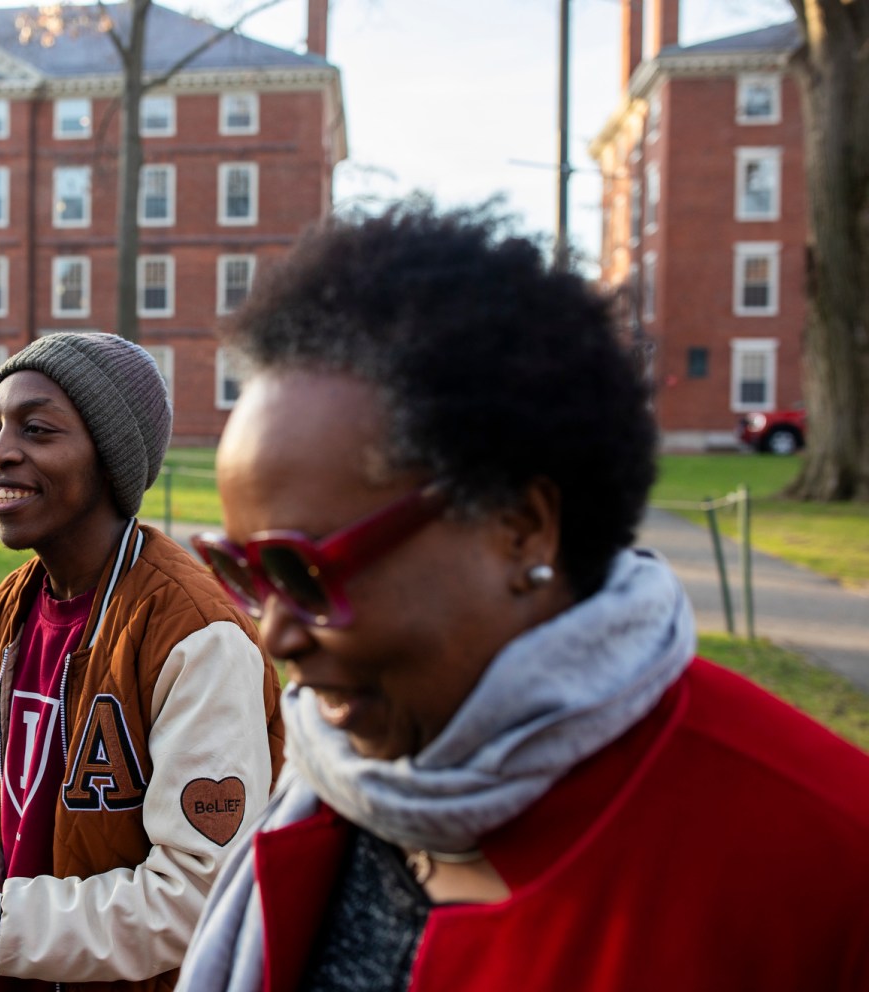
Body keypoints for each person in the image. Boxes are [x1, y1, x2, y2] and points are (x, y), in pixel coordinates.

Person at [178, 203, 869, 992]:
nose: (275, 634)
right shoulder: (325, 794)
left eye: (302, 571)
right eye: (242, 573)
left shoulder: (826, 866)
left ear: (521, 529)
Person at [0, 332, 284, 990]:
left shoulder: (195, 634)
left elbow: (199, 893)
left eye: (38, 429)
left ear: (109, 457)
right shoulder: (12, 609)